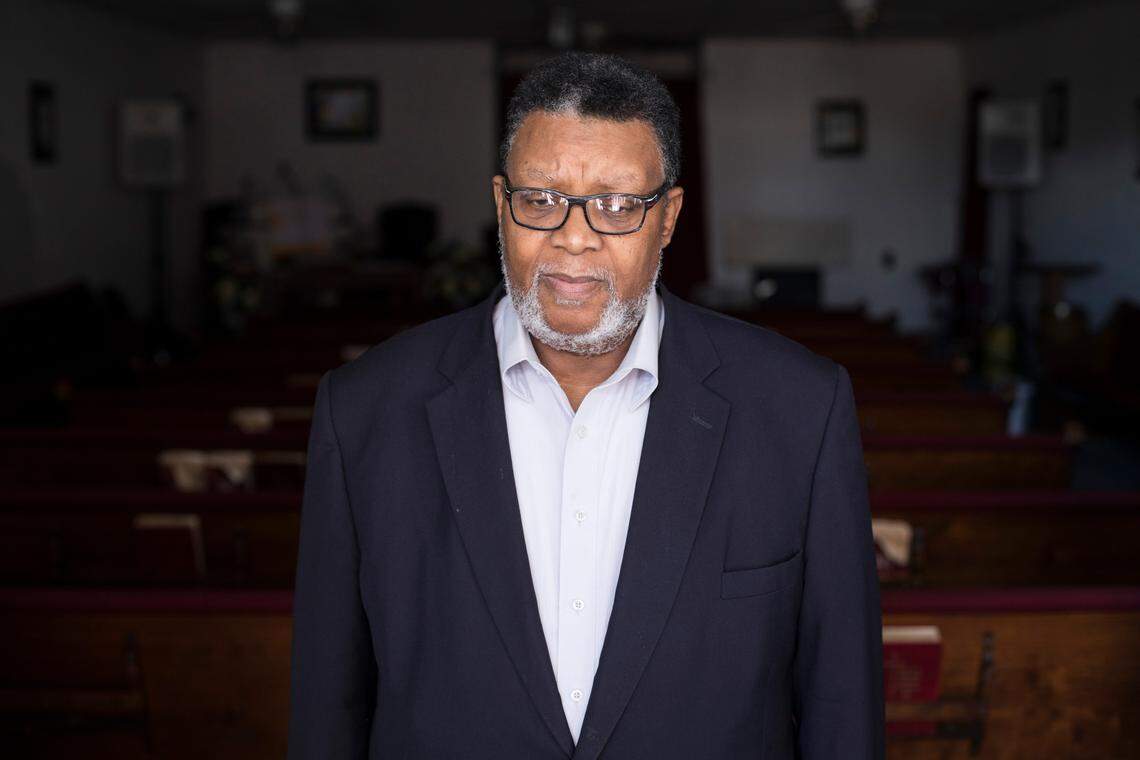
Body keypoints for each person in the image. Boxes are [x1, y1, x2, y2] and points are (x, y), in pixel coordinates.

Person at [288, 51, 884, 760]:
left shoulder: (798, 408)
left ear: (668, 217)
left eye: (617, 205)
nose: (573, 238)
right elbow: (329, 705)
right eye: (540, 200)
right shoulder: (364, 412)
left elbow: (841, 706)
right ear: (500, 204)